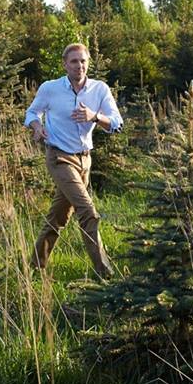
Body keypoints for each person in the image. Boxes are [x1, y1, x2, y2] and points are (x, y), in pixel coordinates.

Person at [24, 43, 123, 278]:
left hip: (85, 161)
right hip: (59, 157)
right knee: (87, 210)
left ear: (88, 63)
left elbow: (117, 122)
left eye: (83, 61)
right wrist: (37, 126)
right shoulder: (51, 88)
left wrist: (95, 117)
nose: (79, 66)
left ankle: (34, 267)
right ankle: (104, 273)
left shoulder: (99, 89)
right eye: (74, 61)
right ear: (65, 64)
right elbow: (31, 113)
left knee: (59, 216)